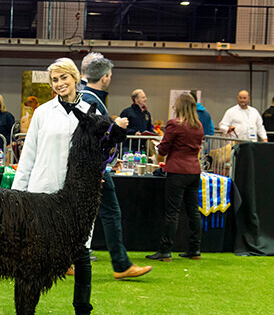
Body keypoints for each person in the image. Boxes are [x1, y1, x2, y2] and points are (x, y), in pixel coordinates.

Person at [11, 58, 125, 315]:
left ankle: (82, 313)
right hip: (43, 190)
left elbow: (107, 146)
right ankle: (24, 311)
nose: (60, 84)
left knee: (81, 252)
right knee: (32, 254)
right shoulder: (43, 113)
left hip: (78, 197)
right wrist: (16, 194)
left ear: (75, 78)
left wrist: (116, 131)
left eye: (64, 78)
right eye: (55, 80)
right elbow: (29, 155)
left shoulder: (93, 108)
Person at [80, 57, 152, 280]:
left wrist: (110, 159)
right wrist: (116, 127)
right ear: (105, 77)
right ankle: (121, 264)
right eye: (110, 75)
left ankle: (70, 260)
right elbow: (92, 135)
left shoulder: (85, 97)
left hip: (93, 165)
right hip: (94, 167)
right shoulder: (92, 100)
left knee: (81, 214)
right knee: (110, 213)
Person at [146, 94, 204, 262]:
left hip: (178, 172)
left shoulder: (174, 124)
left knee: (173, 212)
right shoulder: (198, 125)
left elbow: (163, 150)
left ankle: (165, 250)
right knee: (193, 211)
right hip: (194, 171)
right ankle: (195, 249)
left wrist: (158, 147)